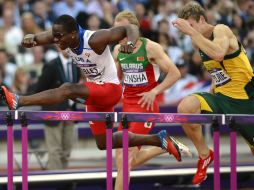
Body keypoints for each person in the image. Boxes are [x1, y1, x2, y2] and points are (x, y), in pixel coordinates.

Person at [0, 14, 188, 161]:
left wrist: (130, 43)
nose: (57, 41)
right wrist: (31, 38)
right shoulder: (62, 35)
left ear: (73, 34)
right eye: (55, 37)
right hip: (95, 93)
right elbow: (41, 37)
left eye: (59, 37)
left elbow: (129, 27)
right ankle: (158, 139)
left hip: (110, 89)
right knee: (103, 143)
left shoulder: (95, 40)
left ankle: (20, 100)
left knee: (68, 89)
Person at [172, 1, 254, 185]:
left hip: (247, 99)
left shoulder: (222, 30)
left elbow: (218, 54)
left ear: (202, 19)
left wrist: (191, 31)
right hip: (221, 96)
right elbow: (217, 69)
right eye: (186, 28)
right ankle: (204, 153)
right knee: (185, 108)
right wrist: (212, 88)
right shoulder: (196, 41)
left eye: (191, 25)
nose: (188, 31)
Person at [113, 11, 191, 190]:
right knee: (122, 160)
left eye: (122, 29)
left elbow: (175, 73)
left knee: (126, 160)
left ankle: (163, 142)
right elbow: (116, 78)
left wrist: (154, 91)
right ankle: (163, 143)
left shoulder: (151, 48)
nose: (118, 34)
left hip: (145, 107)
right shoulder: (119, 49)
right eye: (116, 30)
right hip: (127, 107)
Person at [36, 47, 80, 170]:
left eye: (70, 45)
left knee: (66, 151)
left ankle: (64, 180)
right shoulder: (51, 65)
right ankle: (56, 181)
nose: (67, 48)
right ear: (58, 47)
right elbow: (40, 89)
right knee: (55, 151)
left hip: (70, 112)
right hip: (53, 113)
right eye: (64, 45)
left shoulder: (76, 65)